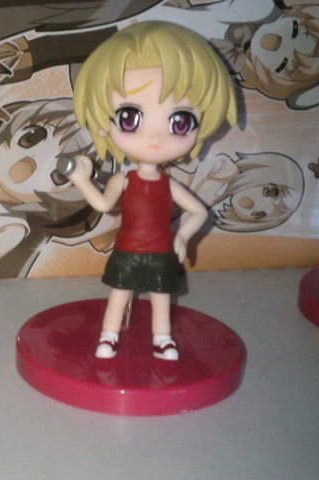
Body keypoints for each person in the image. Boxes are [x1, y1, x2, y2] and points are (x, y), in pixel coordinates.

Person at [68, 21, 237, 359]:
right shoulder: (124, 180)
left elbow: (199, 212)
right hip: (128, 250)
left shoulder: (168, 184)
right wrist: (82, 180)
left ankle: (163, 339)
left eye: (180, 122)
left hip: (161, 252)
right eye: (130, 118)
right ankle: (108, 336)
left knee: (162, 298)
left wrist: (182, 236)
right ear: (104, 123)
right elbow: (102, 204)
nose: (155, 138)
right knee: (119, 294)